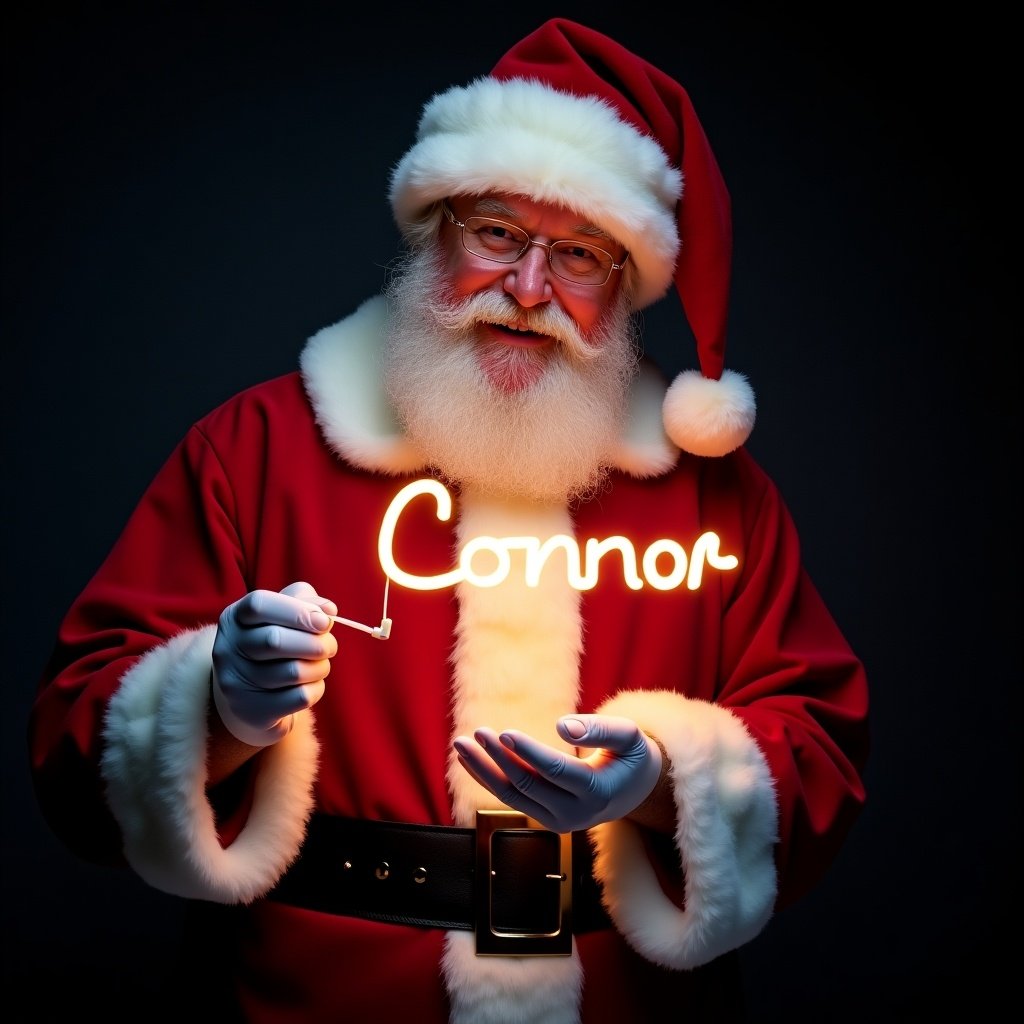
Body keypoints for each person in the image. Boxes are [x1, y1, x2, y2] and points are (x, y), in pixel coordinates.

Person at [27, 18, 868, 1024]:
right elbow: (73, 755)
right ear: (438, 228)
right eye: (498, 234)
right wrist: (217, 707)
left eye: (581, 255)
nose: (526, 289)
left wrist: (659, 778)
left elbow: (819, 754)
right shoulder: (254, 449)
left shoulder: (709, 493)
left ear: (626, 286)